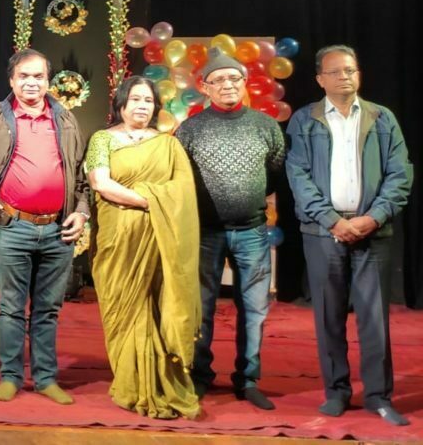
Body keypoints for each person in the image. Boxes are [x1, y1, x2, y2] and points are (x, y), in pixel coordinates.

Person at [286, 45, 413, 426]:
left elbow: (400, 174)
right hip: (323, 232)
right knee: (329, 316)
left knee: (374, 319)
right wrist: (332, 221)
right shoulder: (304, 119)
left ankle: (378, 396)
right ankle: (336, 392)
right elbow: (298, 176)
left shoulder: (382, 117)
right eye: (336, 71)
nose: (345, 77)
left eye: (351, 70)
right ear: (320, 79)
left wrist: (374, 217)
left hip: (373, 230)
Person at [0, 49, 89, 404]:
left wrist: (82, 212)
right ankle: (11, 377)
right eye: (24, 76)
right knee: (11, 307)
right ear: (11, 80)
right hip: (10, 226)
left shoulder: (66, 119)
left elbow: (81, 174)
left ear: (48, 81)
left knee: (48, 310)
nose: (31, 82)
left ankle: (46, 378)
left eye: (38, 76)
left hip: (58, 230)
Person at [176, 49, 285, 410]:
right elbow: (179, 180)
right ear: (204, 87)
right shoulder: (189, 129)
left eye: (234, 78)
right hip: (205, 234)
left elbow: (274, 174)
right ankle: (200, 376)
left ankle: (248, 379)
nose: (227, 84)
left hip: (252, 231)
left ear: (245, 82)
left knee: (254, 309)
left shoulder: (266, 126)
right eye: (218, 79)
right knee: (201, 308)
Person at [86, 76, 200, 420]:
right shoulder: (102, 139)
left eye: (148, 101)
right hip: (117, 240)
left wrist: (154, 205)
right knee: (122, 309)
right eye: (135, 99)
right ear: (121, 103)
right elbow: (101, 183)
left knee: (156, 306)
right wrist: (150, 201)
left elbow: (183, 191)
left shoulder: (168, 144)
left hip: (159, 240)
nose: (141, 106)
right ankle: (130, 383)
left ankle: (163, 384)